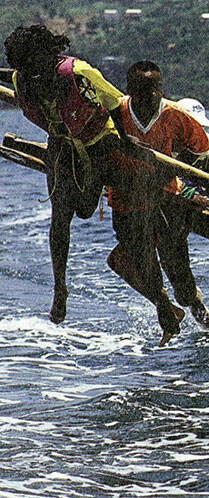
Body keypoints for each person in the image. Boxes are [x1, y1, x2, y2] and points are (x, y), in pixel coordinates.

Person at [3, 24, 130, 324]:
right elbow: (9, 75)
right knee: (60, 217)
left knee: (85, 209)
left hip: (99, 142)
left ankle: (92, 186)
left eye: (36, 64)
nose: (33, 73)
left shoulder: (77, 73)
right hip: (61, 146)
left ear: (49, 54)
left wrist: (127, 142)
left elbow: (116, 103)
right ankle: (60, 288)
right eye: (25, 67)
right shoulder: (25, 79)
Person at [106, 61, 209, 345]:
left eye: (156, 88)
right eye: (143, 89)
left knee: (178, 271)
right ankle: (165, 308)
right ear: (130, 90)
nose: (151, 95)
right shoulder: (116, 112)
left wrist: (169, 171)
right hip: (126, 202)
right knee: (146, 269)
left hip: (165, 199)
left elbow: (201, 149)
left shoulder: (174, 114)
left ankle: (191, 301)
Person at [172, 97, 209, 216]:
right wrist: (190, 194)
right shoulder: (163, 138)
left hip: (197, 201)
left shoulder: (208, 142)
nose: (197, 131)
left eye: (200, 127)